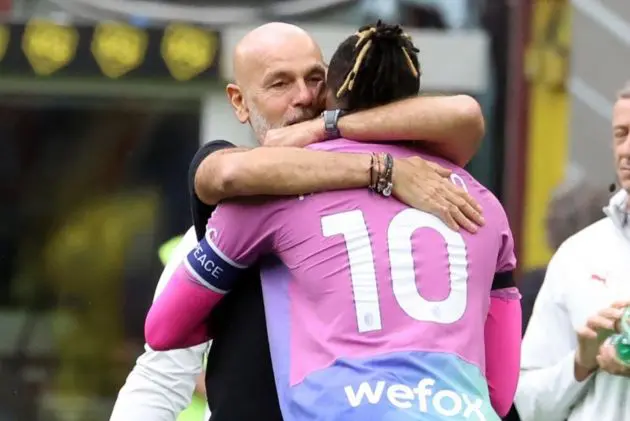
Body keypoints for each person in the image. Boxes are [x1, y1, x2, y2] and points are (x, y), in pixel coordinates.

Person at [111, 22, 488, 421]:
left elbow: (463, 113)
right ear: (239, 103)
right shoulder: (232, 208)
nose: (304, 97)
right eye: (279, 84)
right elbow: (160, 376)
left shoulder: (412, 196)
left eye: (314, 78)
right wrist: (383, 170)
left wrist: (333, 127)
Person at [514, 82, 630, 421]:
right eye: (621, 134)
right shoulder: (578, 254)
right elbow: (530, 404)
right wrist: (583, 360)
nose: (626, 149)